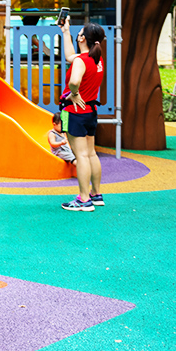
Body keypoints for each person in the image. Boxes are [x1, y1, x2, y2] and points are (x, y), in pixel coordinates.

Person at [58, 19, 107, 212]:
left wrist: (74, 93)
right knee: (91, 153)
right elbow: (70, 56)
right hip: (90, 112)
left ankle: (84, 200)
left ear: (82, 38)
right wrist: (65, 32)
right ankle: (96, 194)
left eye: (79, 33)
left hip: (75, 112)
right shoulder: (96, 59)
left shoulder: (81, 61)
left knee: (81, 156)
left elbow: (74, 81)